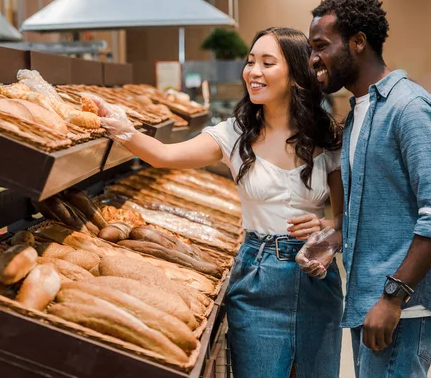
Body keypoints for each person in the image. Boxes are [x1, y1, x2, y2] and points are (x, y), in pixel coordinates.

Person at [98, 27, 345, 378]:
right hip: (257, 277)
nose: (253, 71)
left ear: (295, 75)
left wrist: (327, 227)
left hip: (316, 279)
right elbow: (164, 156)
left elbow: (345, 216)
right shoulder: (233, 135)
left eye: (267, 63)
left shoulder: (327, 139)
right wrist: (121, 127)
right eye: (250, 62)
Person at [303, 0, 431, 378]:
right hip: (373, 299)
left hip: (403, 306)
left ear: (358, 42)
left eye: (321, 46)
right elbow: (385, 205)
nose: (313, 59)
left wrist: (394, 296)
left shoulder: (409, 109)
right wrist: (338, 235)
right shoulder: (362, 113)